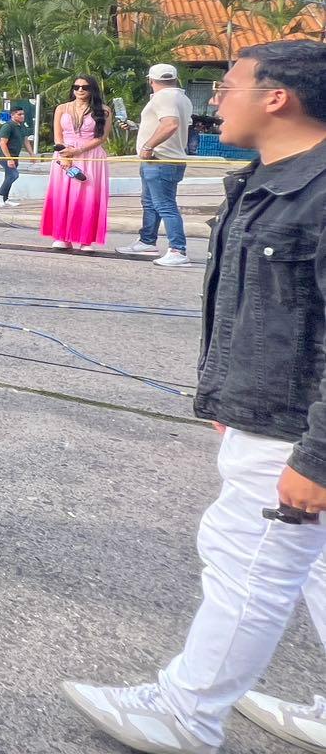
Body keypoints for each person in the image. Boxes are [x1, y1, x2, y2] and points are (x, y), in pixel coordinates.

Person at [62, 41, 326, 754]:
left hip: (294, 430)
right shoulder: (263, 180)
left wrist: (316, 455)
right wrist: (225, 393)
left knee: (249, 566)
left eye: (231, 86)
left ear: (278, 98)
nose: (214, 100)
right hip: (265, 409)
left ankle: (186, 714)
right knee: (314, 569)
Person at [118, 63, 194, 267]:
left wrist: (148, 145)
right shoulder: (182, 98)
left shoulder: (164, 97)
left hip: (160, 159)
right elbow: (169, 125)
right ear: (175, 79)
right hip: (169, 159)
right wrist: (137, 127)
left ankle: (178, 249)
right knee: (151, 203)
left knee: (165, 205)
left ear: (150, 80)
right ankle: (147, 241)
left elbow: (170, 124)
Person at [41, 74, 111, 251]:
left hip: (90, 156)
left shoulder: (103, 110)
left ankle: (86, 239)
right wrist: (64, 154)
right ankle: (62, 236)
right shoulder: (62, 108)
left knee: (88, 197)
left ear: (92, 89)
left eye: (85, 87)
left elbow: (102, 137)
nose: (80, 90)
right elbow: (58, 134)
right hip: (64, 154)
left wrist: (78, 151)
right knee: (63, 195)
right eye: (77, 86)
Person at [0, 110, 29, 207]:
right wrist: (9, 159)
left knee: (9, 176)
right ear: (12, 115)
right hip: (4, 156)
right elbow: (3, 143)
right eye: (19, 114)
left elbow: (26, 141)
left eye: (23, 114)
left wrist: (32, 154)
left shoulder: (22, 127)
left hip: (15, 155)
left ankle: (5, 198)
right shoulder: (8, 126)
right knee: (14, 175)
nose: (22, 116)